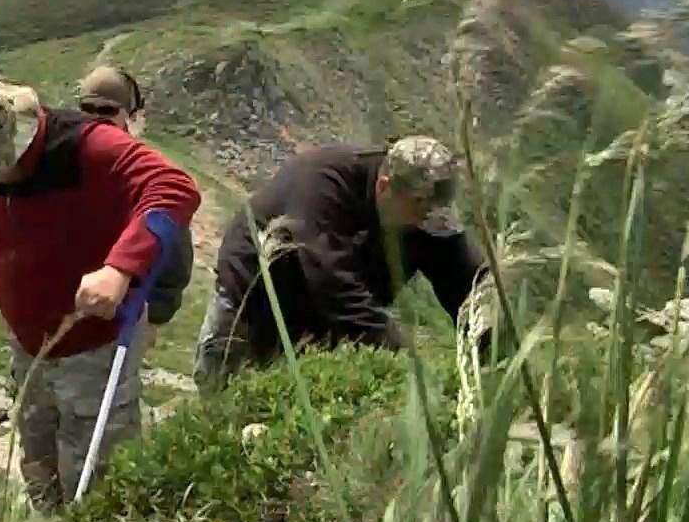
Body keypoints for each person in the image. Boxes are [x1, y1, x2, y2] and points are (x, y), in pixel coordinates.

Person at [0, 81, 202, 509]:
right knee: (37, 450)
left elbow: (175, 189)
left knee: (98, 467)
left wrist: (119, 269)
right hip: (29, 347)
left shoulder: (92, 148)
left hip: (95, 344)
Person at [193, 136, 489, 393]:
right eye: (420, 212)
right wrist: (402, 356)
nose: (426, 223)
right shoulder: (322, 183)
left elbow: (467, 281)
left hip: (326, 331)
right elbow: (331, 283)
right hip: (253, 304)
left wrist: (489, 341)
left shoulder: (425, 215)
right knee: (227, 406)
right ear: (385, 188)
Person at [76, 66, 196, 341]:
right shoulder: (63, 159)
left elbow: (174, 255)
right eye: (87, 108)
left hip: (120, 319)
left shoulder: (146, 177)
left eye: (106, 111)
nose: (96, 119)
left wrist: (154, 316)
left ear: (130, 116)